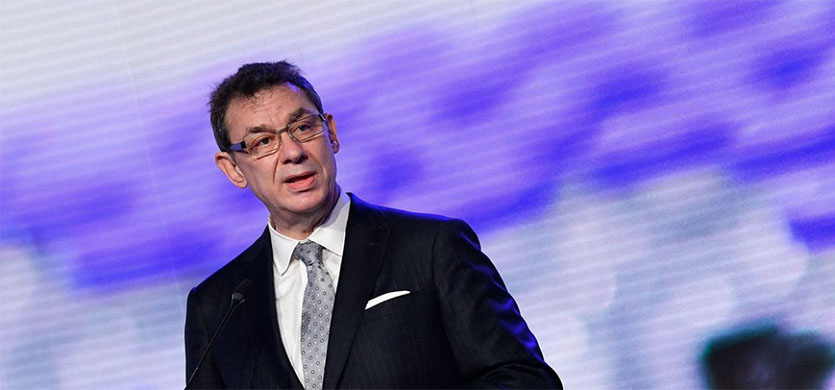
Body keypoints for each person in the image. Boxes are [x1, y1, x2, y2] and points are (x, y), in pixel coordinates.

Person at [184, 60, 561, 389]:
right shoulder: (216, 307)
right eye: (263, 141)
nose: (294, 153)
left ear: (331, 133)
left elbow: (526, 379)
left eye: (303, 128)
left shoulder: (431, 248)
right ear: (232, 168)